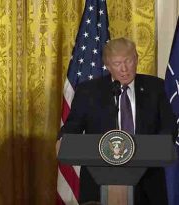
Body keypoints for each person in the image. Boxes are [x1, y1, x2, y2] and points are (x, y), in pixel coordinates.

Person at [57, 37, 177, 204]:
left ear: (136, 59)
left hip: (148, 183)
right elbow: (73, 126)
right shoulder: (88, 92)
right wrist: (63, 140)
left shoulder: (155, 87)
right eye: (117, 63)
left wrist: (156, 147)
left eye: (128, 61)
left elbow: (169, 127)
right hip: (99, 185)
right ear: (107, 65)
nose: (124, 69)